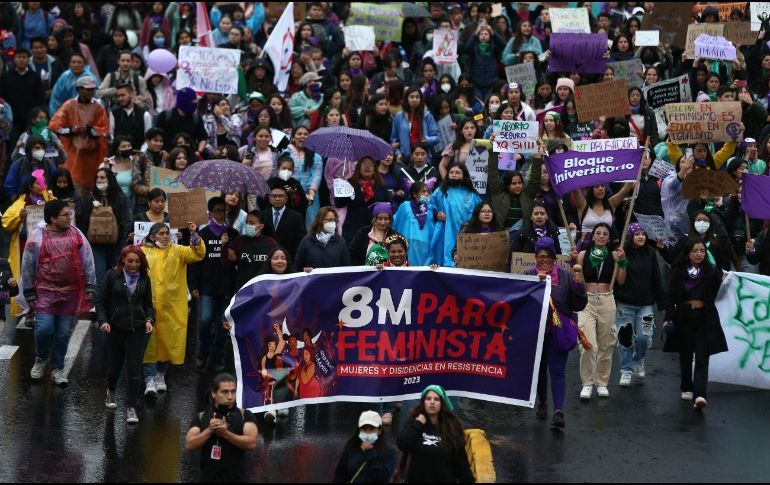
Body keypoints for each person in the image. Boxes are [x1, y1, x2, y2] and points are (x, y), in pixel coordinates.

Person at [24, 199, 96, 385]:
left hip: (69, 294)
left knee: (63, 333)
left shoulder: (77, 235)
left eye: (70, 214)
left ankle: (58, 368)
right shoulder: (36, 237)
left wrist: (90, 285)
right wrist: (29, 291)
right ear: (53, 218)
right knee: (44, 329)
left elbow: (88, 260)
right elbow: (28, 266)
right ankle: (40, 360)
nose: (69, 218)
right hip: (44, 293)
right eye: (66, 215)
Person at [525, 237, 586, 428]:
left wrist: (578, 287)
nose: (544, 259)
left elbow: (578, 305)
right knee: (540, 371)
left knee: (557, 371)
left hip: (559, 332)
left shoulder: (566, 277)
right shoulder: (527, 276)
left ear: (554, 258)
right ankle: (542, 402)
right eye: (540, 256)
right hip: (536, 333)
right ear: (535, 258)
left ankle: (558, 411)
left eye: (548, 256)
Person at [141, 222, 205, 396]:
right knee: (150, 343)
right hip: (150, 306)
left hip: (172, 306)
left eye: (167, 233)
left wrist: (195, 236)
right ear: (152, 236)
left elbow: (198, 254)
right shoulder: (143, 252)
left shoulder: (178, 251)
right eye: (161, 233)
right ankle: (149, 379)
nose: (165, 236)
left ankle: (161, 375)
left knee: (168, 341)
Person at [663, 238, 728, 410]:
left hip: (705, 317)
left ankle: (700, 394)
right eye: (695, 250)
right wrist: (668, 318)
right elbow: (670, 296)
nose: (699, 254)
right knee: (685, 354)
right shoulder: (677, 271)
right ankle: (686, 386)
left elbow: (716, 292)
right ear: (687, 253)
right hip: (683, 316)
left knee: (702, 356)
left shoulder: (710, 271)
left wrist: (723, 278)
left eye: (702, 251)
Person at [97, 246, 154, 424]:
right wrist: (103, 321)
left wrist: (149, 320)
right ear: (123, 260)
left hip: (137, 328)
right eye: (130, 261)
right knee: (115, 365)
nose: (134, 265)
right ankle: (111, 391)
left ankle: (131, 407)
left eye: (137, 261)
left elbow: (148, 304)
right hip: (115, 328)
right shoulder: (111, 276)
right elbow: (101, 302)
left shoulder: (145, 278)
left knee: (134, 369)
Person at [576, 223, 627, 400]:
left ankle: (602, 382)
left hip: (606, 300)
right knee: (588, 344)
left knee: (606, 345)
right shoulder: (583, 254)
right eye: (598, 233)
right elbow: (575, 279)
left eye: (605, 233)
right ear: (593, 235)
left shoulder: (614, 255)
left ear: (608, 237)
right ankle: (587, 383)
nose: (601, 236)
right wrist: (573, 263)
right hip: (587, 301)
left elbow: (621, 280)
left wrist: (622, 262)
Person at [190, 197, 239, 371]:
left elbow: (236, 260)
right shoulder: (202, 234)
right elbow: (196, 260)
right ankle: (203, 352)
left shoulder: (233, 234)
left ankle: (219, 357)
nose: (221, 213)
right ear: (210, 212)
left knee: (222, 324)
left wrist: (228, 247)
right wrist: (193, 285)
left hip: (226, 287)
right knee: (204, 321)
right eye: (217, 210)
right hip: (207, 286)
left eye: (223, 210)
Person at [613, 223, 664, 388]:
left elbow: (656, 277)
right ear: (630, 237)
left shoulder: (650, 253)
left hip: (646, 304)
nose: (641, 236)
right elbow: (617, 280)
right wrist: (621, 260)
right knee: (625, 339)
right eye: (637, 234)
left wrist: (661, 302)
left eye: (643, 233)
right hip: (625, 303)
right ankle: (626, 371)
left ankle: (639, 359)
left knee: (644, 337)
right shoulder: (622, 253)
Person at [184, 373, 258, 483]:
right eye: (225, 392)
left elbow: (251, 444)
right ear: (214, 393)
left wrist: (226, 434)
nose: (230, 396)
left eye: (233, 391)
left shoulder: (245, 415)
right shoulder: (202, 416)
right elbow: (189, 445)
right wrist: (209, 430)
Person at [3, 172, 55, 320]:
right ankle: (30, 311)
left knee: (45, 277)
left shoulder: (50, 199)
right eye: (38, 183)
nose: (42, 185)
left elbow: (65, 214)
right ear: (30, 186)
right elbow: (6, 221)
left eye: (44, 182)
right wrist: (18, 217)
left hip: (48, 247)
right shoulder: (21, 202)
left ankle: (46, 307)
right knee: (28, 278)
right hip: (27, 246)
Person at [396, 385, 474, 483]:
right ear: (423, 402)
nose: (432, 402)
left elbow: (462, 463)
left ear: (442, 403)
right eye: (428, 399)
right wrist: (418, 424)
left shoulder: (451, 428)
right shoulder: (414, 422)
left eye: (436, 399)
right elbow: (402, 444)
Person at [49, 75, 109, 192]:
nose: (91, 92)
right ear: (79, 89)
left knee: (92, 184)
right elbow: (54, 126)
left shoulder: (98, 107)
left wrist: (89, 130)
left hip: (92, 154)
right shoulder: (69, 105)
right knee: (72, 183)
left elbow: (105, 130)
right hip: (71, 152)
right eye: (88, 89)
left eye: (92, 89)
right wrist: (71, 130)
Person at [80, 168, 133, 294]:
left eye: (102, 177)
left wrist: (122, 242)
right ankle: (100, 308)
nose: (99, 180)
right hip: (96, 244)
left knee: (115, 274)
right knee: (99, 275)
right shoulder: (91, 197)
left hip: (116, 244)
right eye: (97, 178)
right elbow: (84, 220)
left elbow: (125, 220)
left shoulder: (119, 197)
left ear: (110, 179)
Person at [430, 163, 482, 267]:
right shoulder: (440, 191)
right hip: (445, 233)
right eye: (451, 172)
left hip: (466, 233)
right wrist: (436, 215)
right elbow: (429, 207)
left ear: (464, 175)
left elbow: (480, 212)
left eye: (458, 173)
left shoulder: (473, 194)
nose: (454, 175)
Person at [336, 157, 392, 244]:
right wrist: (341, 186)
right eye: (364, 164)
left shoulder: (381, 186)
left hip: (375, 230)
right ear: (359, 167)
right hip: (352, 229)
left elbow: (389, 206)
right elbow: (339, 204)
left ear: (374, 169)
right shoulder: (350, 184)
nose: (367, 167)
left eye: (370, 165)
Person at [333, 410, 396, 483]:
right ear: (359, 430)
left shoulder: (388, 451)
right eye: (364, 429)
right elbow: (339, 476)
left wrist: (370, 454)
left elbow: (383, 477)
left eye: (372, 429)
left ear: (380, 431)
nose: (368, 433)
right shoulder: (352, 448)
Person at [221, 211, 278, 291]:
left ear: (261, 226)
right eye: (246, 222)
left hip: (264, 288)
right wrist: (224, 245)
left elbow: (276, 267)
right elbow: (226, 263)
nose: (248, 225)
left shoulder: (270, 243)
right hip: (243, 288)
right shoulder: (239, 241)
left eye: (251, 223)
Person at [294, 207, 351, 272]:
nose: (333, 223)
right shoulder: (307, 241)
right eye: (329, 220)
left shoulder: (341, 242)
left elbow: (347, 268)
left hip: (335, 281)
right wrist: (304, 271)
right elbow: (297, 267)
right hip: (313, 281)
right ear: (320, 221)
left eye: (334, 220)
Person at [391, 87, 439, 162]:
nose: (414, 99)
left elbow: (437, 137)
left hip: (423, 158)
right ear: (407, 99)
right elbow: (394, 139)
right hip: (405, 158)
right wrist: (398, 153)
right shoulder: (399, 116)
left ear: (421, 99)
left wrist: (427, 140)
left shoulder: (427, 116)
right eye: (411, 97)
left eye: (417, 97)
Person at [393, 182, 435, 266]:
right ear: (415, 194)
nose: (426, 194)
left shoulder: (429, 209)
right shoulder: (405, 206)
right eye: (423, 191)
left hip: (424, 245)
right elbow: (396, 223)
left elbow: (431, 228)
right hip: (407, 244)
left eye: (427, 191)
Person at [4, 134, 57, 201]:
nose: (41, 150)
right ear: (30, 149)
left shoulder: (49, 165)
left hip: (46, 204)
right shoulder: (19, 164)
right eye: (37, 148)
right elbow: (9, 187)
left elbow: (55, 186)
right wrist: (17, 205)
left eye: (43, 148)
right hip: (22, 204)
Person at [260, 184, 306, 260]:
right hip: (266, 259)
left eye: (281, 196)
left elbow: (300, 240)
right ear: (269, 198)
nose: (277, 199)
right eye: (274, 196)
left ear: (286, 199)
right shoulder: (262, 216)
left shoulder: (296, 217)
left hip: (289, 259)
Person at [108, 83, 152, 150]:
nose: (120, 98)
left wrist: (141, 152)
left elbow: (148, 138)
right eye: (118, 96)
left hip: (138, 153)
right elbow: (111, 135)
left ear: (131, 94)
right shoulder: (114, 113)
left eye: (123, 95)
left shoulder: (145, 114)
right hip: (119, 153)